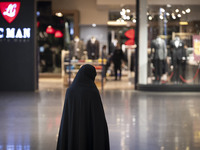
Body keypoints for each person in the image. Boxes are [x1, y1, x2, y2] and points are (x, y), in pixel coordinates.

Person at [57, 64, 110, 150]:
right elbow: (98, 119)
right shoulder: (93, 92)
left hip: (73, 131)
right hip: (89, 132)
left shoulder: (70, 91)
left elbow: (66, 118)